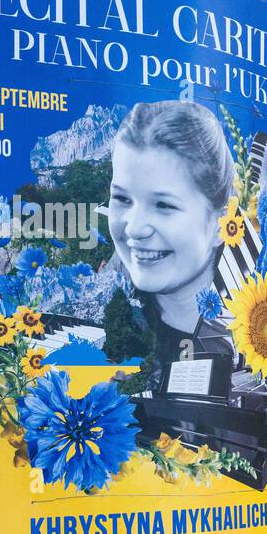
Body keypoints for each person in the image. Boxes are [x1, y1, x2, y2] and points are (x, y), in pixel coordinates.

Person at [108, 99, 237, 383]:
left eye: (164, 205)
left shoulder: (259, 334)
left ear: (221, 224)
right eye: (121, 199)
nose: (134, 227)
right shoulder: (106, 323)